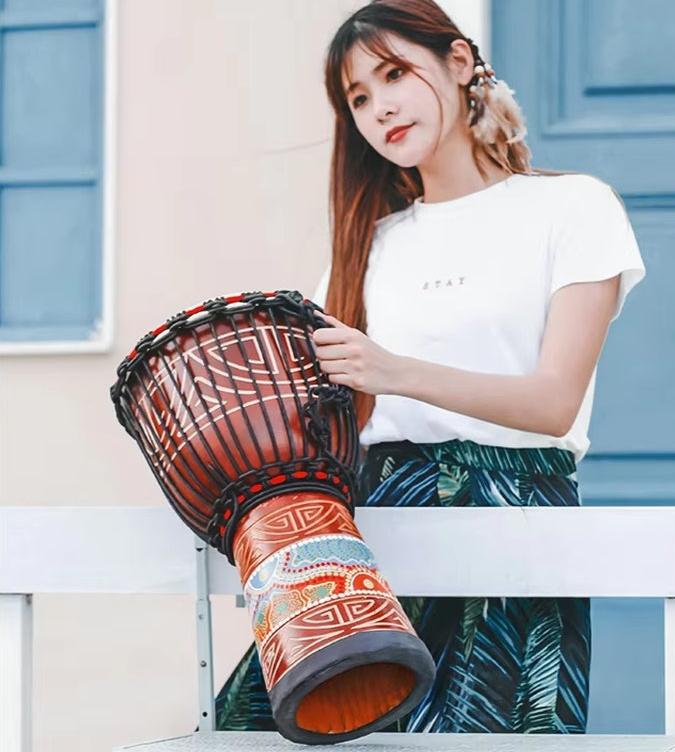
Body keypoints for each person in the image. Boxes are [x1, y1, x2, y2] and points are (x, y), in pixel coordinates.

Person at [211, 0, 646, 734]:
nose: (380, 108)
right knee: (269, 727)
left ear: (458, 62)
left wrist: (394, 371)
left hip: (515, 515)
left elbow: (554, 404)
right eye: (357, 98)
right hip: (377, 530)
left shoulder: (572, 208)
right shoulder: (365, 249)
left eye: (392, 74)